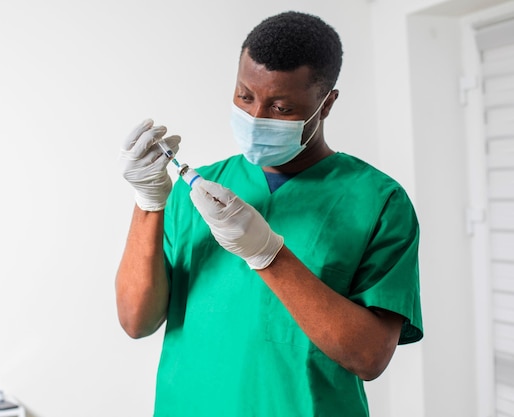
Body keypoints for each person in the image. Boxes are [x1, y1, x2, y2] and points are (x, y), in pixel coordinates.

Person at [116, 11, 423, 417]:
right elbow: (137, 321)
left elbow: (369, 357)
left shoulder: (378, 201)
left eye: (281, 107)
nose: (256, 117)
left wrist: (267, 254)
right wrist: (149, 202)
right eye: (245, 96)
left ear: (326, 103)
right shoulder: (203, 190)